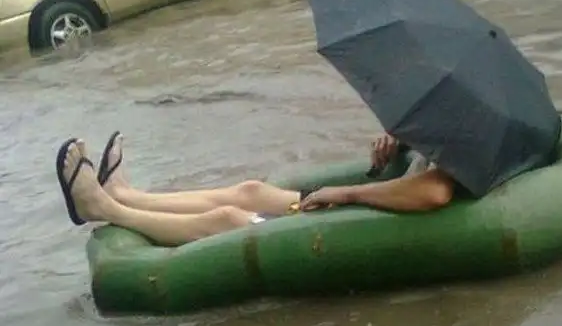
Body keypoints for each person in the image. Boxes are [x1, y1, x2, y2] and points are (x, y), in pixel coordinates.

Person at [56, 131, 456, 247]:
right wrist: (399, 143)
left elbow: (435, 192)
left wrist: (346, 193)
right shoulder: (452, 121)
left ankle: (106, 209)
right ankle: (128, 196)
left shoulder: (470, 140)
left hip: (368, 222)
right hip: (368, 209)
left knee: (228, 219)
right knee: (251, 192)